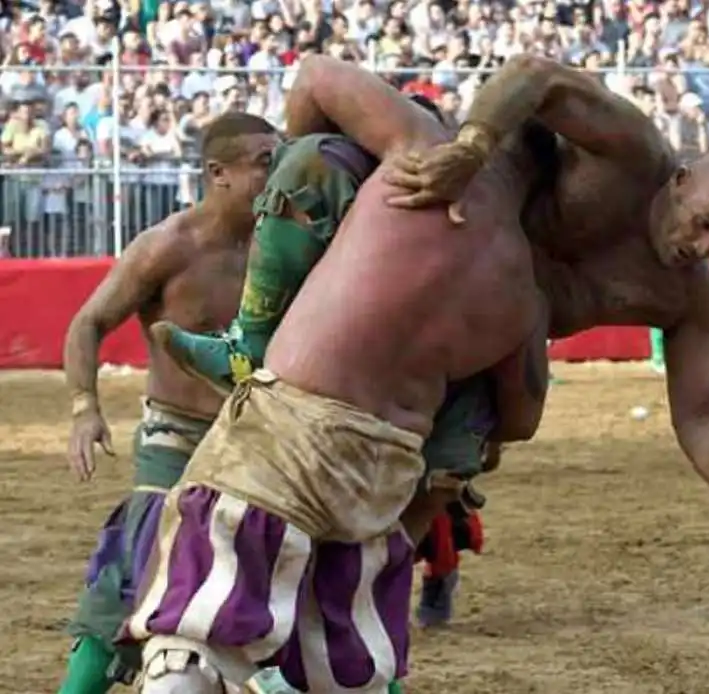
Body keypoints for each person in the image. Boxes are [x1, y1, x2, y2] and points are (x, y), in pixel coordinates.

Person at [118, 56, 547, 694]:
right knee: (368, 592)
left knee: (193, 631)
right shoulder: (513, 273)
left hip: (308, 441)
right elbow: (520, 418)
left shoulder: (372, 204)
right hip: (394, 461)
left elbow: (315, 86)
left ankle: (249, 347)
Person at [382, 55, 709, 518]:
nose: (704, 247)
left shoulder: (688, 295)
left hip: (499, 339)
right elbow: (534, 74)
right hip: (455, 226)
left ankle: (444, 534)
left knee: (515, 419)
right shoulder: (632, 151)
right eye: (703, 224)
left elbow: (699, 408)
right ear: (679, 183)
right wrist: (473, 146)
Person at [58, 112, 282, 694]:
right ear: (218, 173)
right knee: (134, 569)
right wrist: (85, 406)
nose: (275, 170)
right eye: (262, 160)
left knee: (311, 571)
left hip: (265, 437)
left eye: (277, 156)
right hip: (176, 437)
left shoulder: (287, 244)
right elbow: (87, 322)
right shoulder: (167, 246)